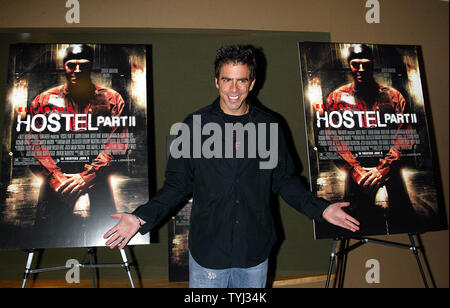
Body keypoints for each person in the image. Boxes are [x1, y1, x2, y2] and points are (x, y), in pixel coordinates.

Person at [104, 45, 359, 288]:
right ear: (216, 81)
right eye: (227, 80)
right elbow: (177, 186)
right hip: (208, 253)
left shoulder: (269, 126)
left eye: (242, 80)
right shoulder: (194, 126)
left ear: (253, 83)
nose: (233, 88)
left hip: (254, 251)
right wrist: (140, 217)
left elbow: (285, 180)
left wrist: (321, 210)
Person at [27, 44, 129, 247]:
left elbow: (118, 142)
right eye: (71, 65)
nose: (77, 71)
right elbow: (33, 142)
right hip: (57, 180)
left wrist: (88, 176)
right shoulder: (44, 100)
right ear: (64, 66)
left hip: (97, 176)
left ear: (91, 66)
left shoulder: (112, 99)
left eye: (83, 65)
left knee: (109, 234)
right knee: (46, 236)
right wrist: (55, 177)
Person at [324, 43, 417, 235]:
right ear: (349, 65)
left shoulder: (393, 97)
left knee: (405, 222)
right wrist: (356, 169)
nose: (360, 69)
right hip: (357, 172)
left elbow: (405, 135)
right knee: (354, 225)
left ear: (373, 64)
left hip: (390, 169)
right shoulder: (336, 97)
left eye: (365, 63)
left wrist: (385, 168)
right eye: (355, 64)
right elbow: (333, 138)